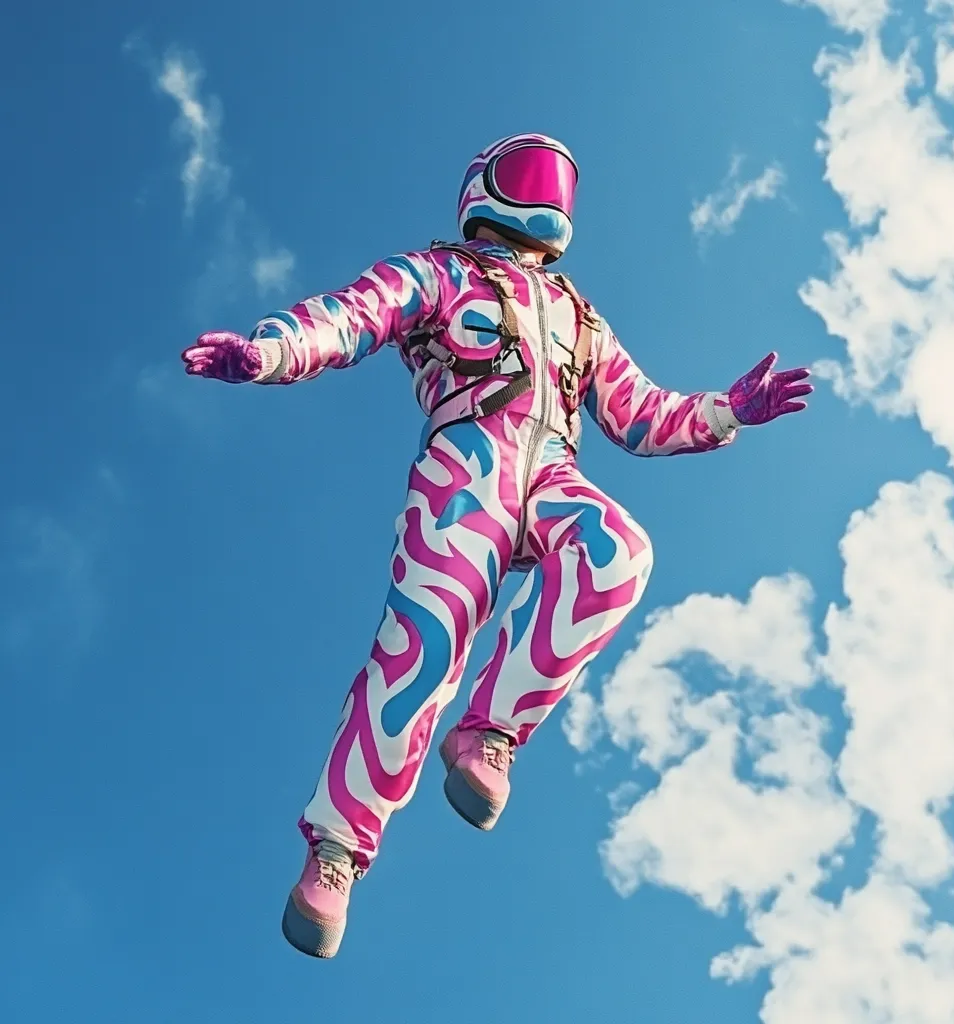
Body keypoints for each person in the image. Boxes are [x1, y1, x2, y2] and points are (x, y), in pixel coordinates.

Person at [181, 133, 813, 959]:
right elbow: (349, 317)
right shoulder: (436, 272)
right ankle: (337, 848)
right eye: (528, 175)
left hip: (551, 466)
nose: (544, 193)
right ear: (481, 188)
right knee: (426, 642)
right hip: (466, 462)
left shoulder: (582, 318)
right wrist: (269, 351)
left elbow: (642, 415)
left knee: (616, 549)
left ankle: (492, 731)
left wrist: (727, 410)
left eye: (554, 182)